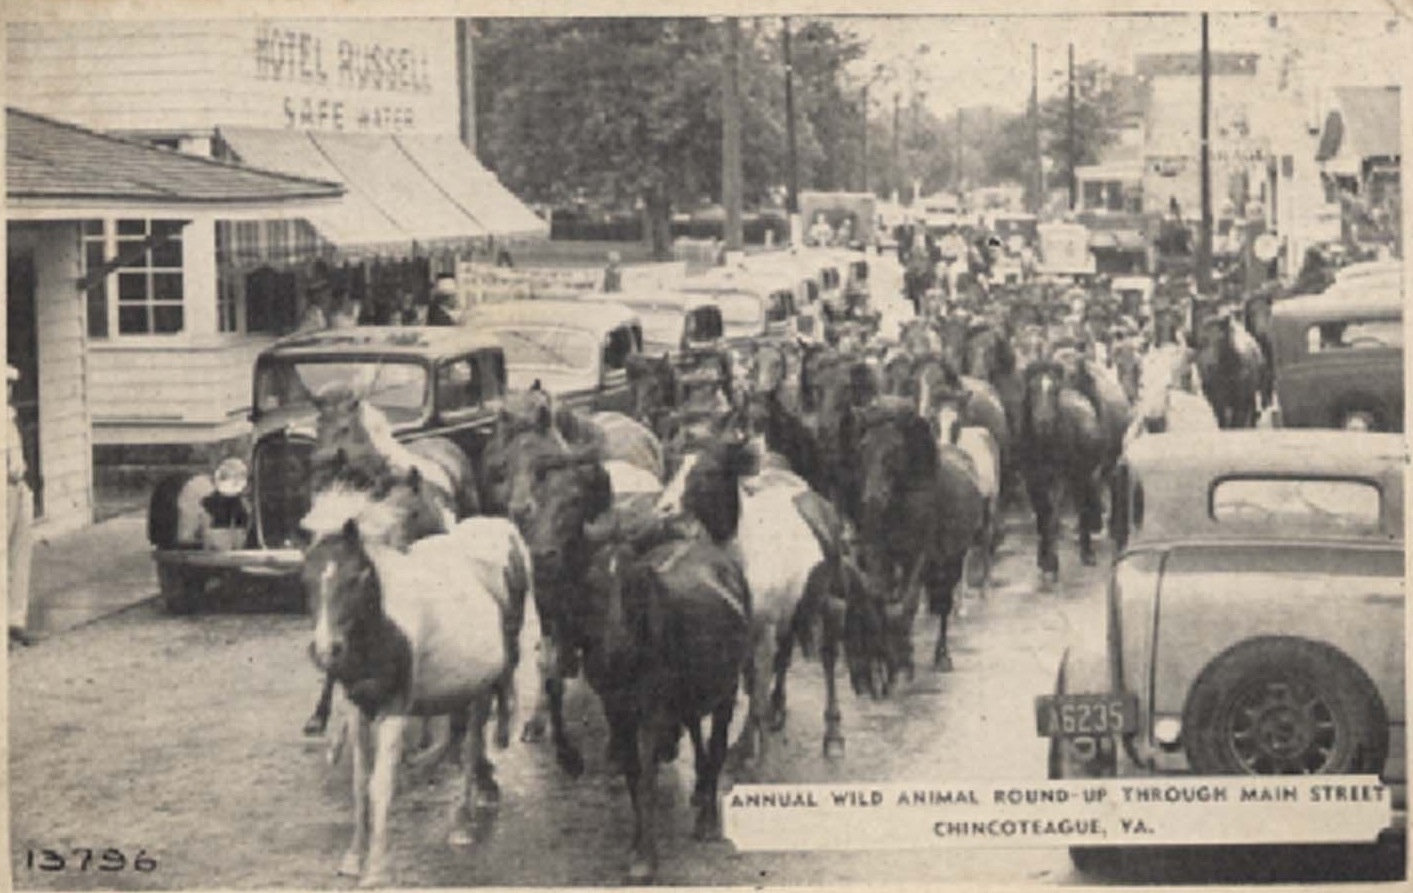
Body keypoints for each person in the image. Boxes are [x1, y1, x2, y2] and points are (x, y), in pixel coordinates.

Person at [8, 366, 35, 647]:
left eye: (8, 386)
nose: (6, 391)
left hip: (17, 487)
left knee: (20, 553)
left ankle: (16, 619)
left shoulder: (10, 418)